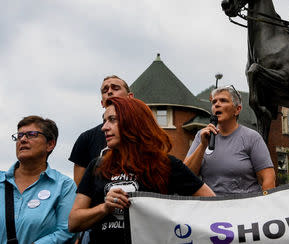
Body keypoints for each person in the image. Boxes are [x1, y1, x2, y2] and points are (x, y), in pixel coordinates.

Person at [69, 97, 214, 243]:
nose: (104, 127)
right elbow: (73, 222)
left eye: (112, 119)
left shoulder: (166, 164)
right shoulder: (97, 166)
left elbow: (212, 203)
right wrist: (104, 208)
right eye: (104, 120)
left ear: (133, 122)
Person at [184, 85, 275, 195]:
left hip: (244, 207)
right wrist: (203, 145)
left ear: (237, 110)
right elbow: (186, 176)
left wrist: (265, 205)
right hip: (212, 207)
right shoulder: (201, 136)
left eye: (223, 101)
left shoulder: (252, 137)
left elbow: (268, 178)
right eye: (214, 102)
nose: (217, 104)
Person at [0, 116, 76, 243]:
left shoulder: (64, 186)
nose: (23, 139)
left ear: (50, 144)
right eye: (20, 136)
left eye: (31, 134)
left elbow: (67, 231)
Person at [69, 75, 134, 186]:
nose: (109, 92)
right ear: (102, 103)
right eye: (105, 90)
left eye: (115, 88)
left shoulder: (145, 133)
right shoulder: (86, 138)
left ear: (130, 97)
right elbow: (79, 189)